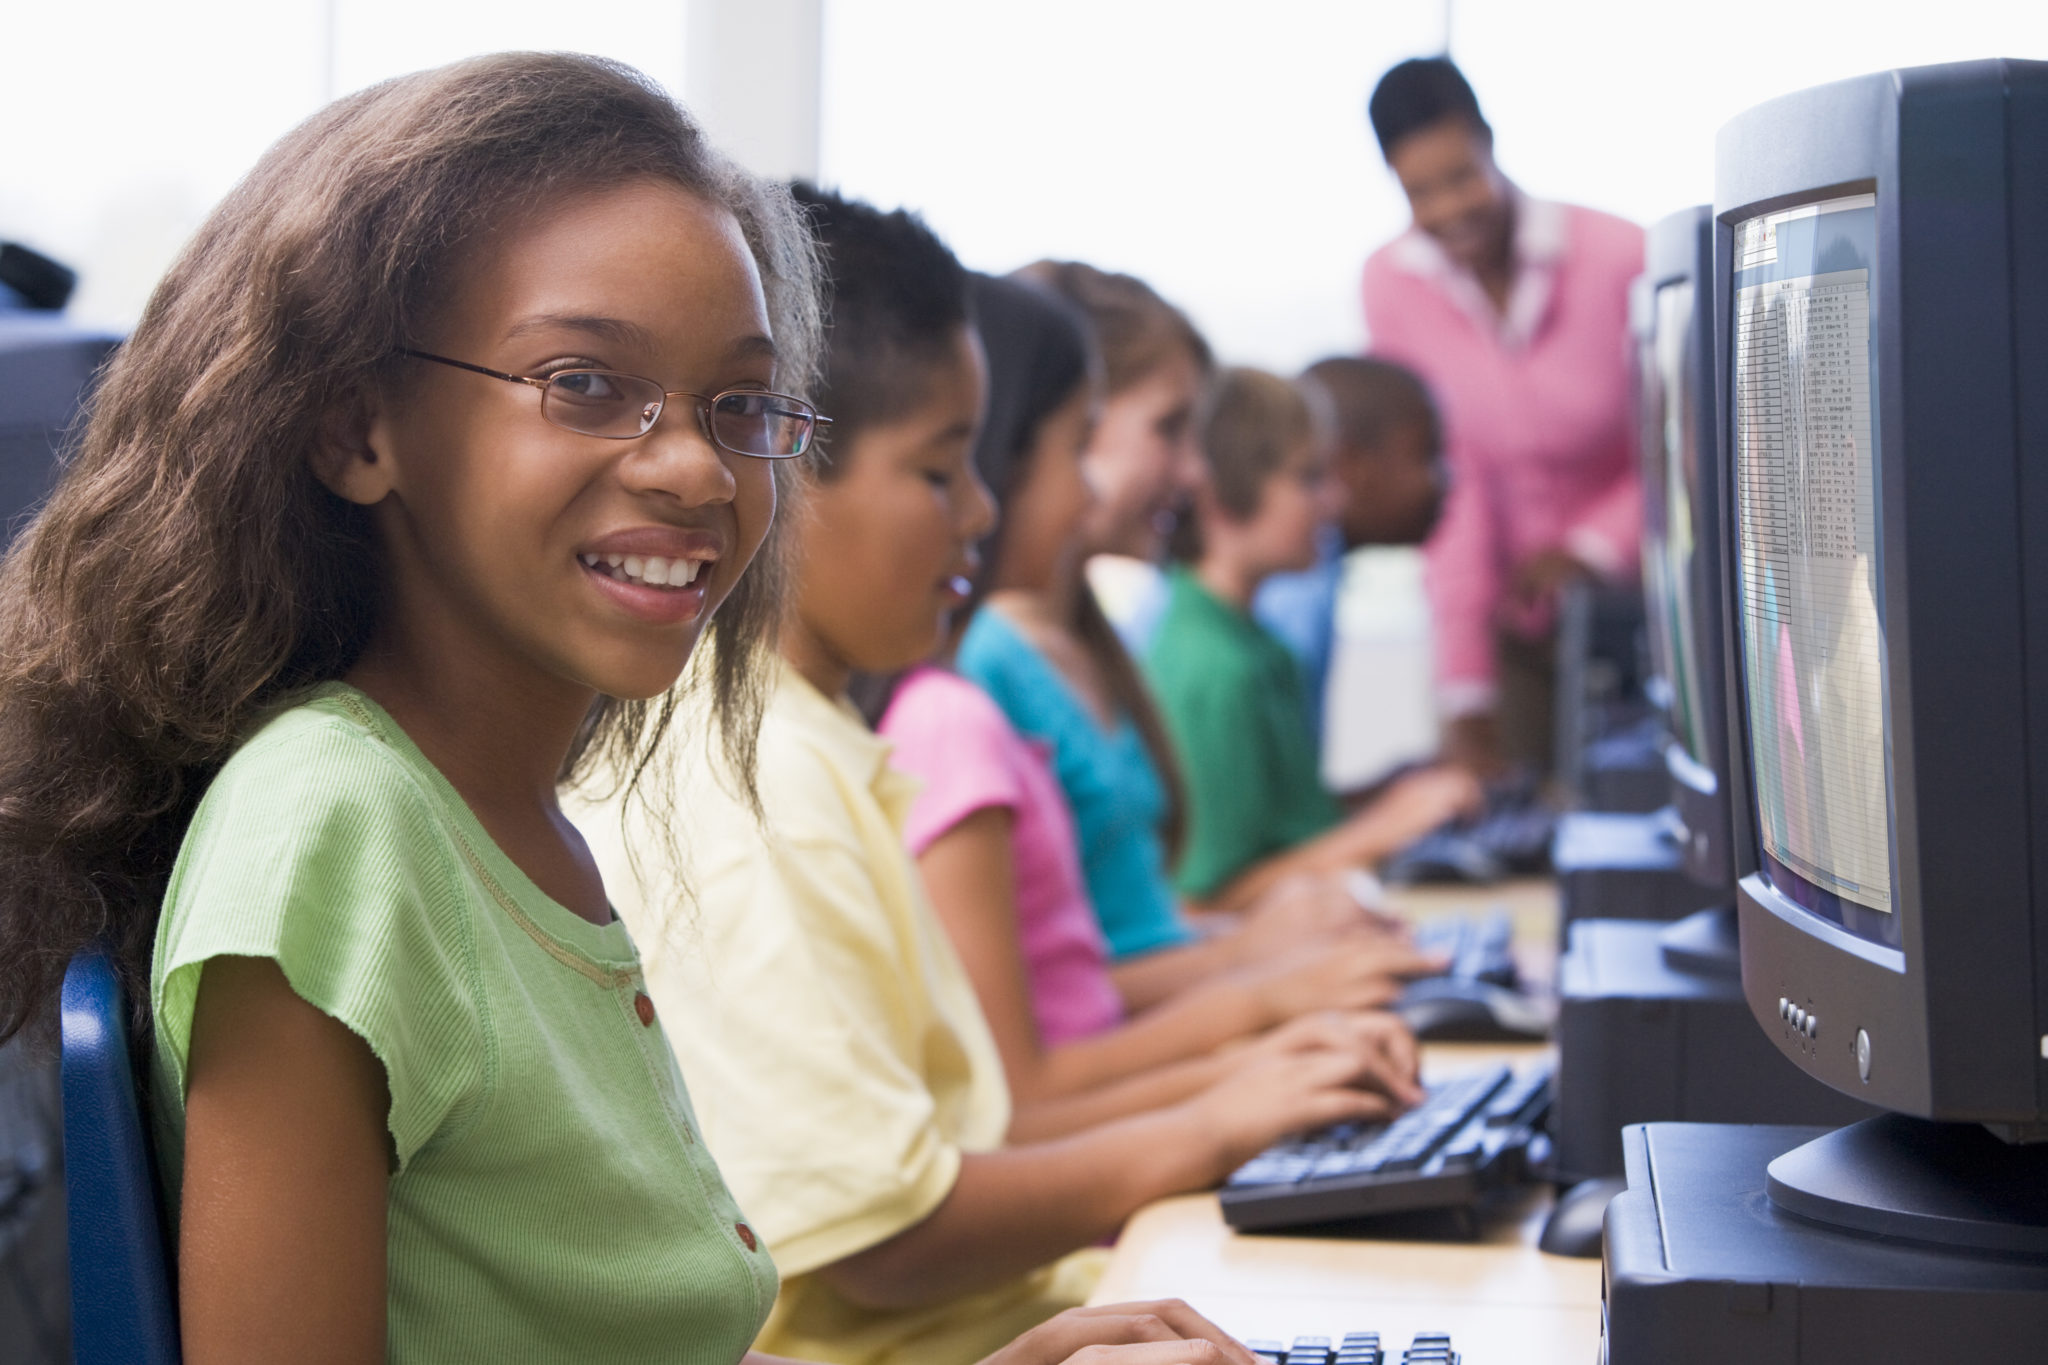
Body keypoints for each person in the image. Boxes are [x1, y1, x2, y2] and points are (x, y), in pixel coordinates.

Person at [0, 55, 1273, 1365]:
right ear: (355, 427)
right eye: (585, 383)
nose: (693, 466)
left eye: (738, 404)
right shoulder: (336, 827)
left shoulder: (509, 816)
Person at [574, 189, 1425, 1365]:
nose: (978, 511)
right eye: (938, 474)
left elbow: (963, 1137)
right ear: (790, 475)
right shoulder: (755, 784)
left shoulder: (813, 746)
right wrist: (1223, 1108)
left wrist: (1241, 1076)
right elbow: (887, 1236)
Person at [882, 274, 1429, 1131]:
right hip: (1119, 1105)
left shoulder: (1091, 646)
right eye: (1171, 429)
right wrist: (1255, 978)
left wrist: (1267, 966)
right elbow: (1047, 1036)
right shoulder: (973, 686)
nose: (1198, 471)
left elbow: (1119, 942)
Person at [1362, 56, 1645, 776]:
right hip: (1503, 623)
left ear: (1489, 140)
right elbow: (1445, 487)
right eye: (1420, 191)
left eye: (1460, 176)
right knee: (1508, 813)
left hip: (1636, 611)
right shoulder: (1392, 287)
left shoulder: (1618, 255)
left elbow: (1683, 449)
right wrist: (1465, 686)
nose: (1449, 210)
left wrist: (1590, 548)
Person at [1144, 368, 1480, 908]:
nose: (1332, 501)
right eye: (1308, 479)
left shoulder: (1258, 646)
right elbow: (1204, 903)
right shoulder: (1209, 671)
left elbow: (1283, 832)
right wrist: (1384, 828)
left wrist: (1382, 799)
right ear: (1226, 496)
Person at [1251, 356, 1447, 746]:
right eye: (1425, 455)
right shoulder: (1299, 584)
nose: (1442, 482)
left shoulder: (1317, 571)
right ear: (1350, 465)